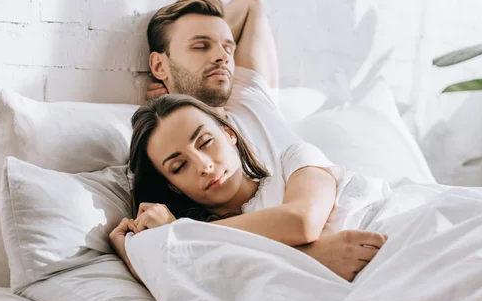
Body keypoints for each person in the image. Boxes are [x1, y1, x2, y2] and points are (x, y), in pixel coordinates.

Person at [113, 0, 388, 282]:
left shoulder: (249, 95)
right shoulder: (159, 143)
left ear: (228, 134)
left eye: (227, 47)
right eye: (200, 46)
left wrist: (182, 233)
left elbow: (249, 3)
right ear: (158, 66)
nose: (220, 56)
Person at [110, 94, 389, 283]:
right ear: (173, 187)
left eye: (206, 142)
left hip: (400, 231)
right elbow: (173, 285)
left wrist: (181, 233)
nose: (204, 165)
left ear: (229, 134)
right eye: (179, 166)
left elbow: (301, 221)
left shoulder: (293, 161)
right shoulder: (203, 250)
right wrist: (134, 251)